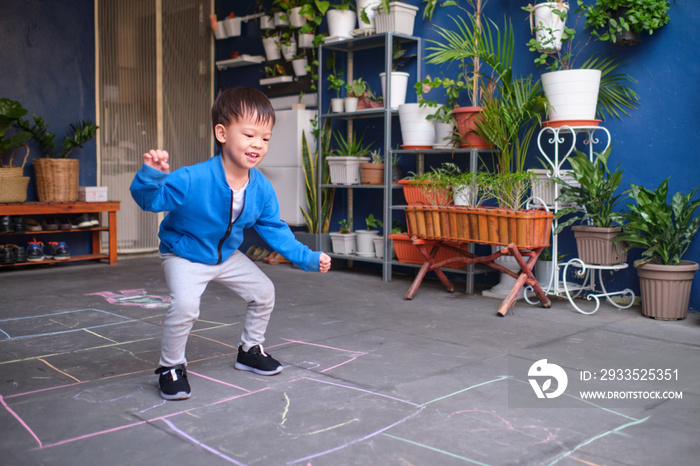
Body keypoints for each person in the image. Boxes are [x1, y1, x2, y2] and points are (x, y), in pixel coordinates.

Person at [130, 87, 332, 400]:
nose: (258, 145)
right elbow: (150, 201)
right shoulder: (192, 178)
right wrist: (151, 177)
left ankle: (249, 351)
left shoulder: (260, 187)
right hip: (184, 253)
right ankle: (170, 367)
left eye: (265, 138)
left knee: (263, 293)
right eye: (249, 135)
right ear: (222, 133)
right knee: (186, 306)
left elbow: (275, 229)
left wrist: (306, 257)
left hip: (224, 254)